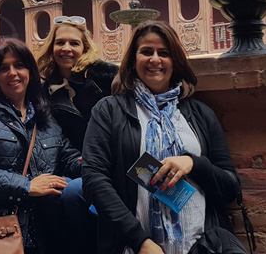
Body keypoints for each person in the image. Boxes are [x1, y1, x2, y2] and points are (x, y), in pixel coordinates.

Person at [82, 21, 247, 254]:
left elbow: (230, 187)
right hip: (134, 247)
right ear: (133, 59)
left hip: (200, 246)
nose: (155, 60)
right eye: (146, 52)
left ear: (175, 61)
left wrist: (193, 163)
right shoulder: (109, 110)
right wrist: (140, 241)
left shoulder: (199, 114)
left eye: (164, 53)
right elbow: (94, 179)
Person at [0, 39, 82, 254]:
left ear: (30, 71)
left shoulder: (47, 119)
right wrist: (26, 186)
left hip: (45, 236)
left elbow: (69, 158)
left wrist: (101, 166)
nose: (13, 73)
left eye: (19, 65)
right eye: (4, 68)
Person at [35, 15, 118, 253]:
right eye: (60, 42)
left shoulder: (107, 79)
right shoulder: (43, 90)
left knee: (73, 194)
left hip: (111, 161)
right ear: (51, 47)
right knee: (50, 195)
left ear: (85, 48)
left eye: (74, 43)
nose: (67, 49)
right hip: (70, 164)